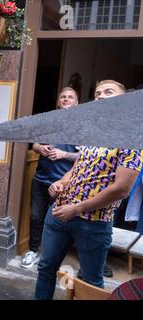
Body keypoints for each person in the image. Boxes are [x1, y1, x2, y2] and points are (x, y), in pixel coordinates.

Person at [35, 80, 142, 300]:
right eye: (97, 93)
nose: (100, 96)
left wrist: (77, 208)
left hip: (93, 222)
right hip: (58, 214)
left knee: (90, 282)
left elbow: (121, 189)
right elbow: (78, 167)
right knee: (46, 268)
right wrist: (61, 183)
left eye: (108, 92)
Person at [21, 87, 79, 269]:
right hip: (40, 178)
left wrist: (63, 154)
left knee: (55, 221)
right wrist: (41, 149)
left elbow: (85, 157)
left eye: (70, 97)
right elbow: (35, 144)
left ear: (77, 103)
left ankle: (48, 257)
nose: (66, 99)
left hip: (62, 183)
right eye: (63, 96)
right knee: (36, 217)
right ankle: (32, 251)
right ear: (58, 101)